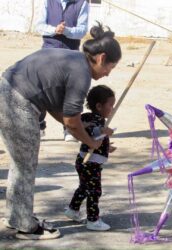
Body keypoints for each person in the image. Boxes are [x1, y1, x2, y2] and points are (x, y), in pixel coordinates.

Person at [0, 23, 121, 240]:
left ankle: (16, 216)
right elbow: (71, 121)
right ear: (101, 58)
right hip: (17, 100)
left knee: (21, 163)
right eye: (109, 68)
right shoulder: (81, 73)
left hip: (9, 90)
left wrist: (82, 130)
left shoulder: (73, 59)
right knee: (26, 164)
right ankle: (26, 226)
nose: (107, 74)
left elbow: (60, 110)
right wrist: (91, 142)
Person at [64, 85, 116, 231]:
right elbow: (91, 130)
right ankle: (93, 220)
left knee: (84, 188)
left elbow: (95, 139)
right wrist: (102, 130)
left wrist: (107, 146)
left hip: (85, 161)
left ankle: (72, 210)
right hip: (90, 163)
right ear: (99, 106)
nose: (112, 108)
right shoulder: (95, 120)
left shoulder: (92, 117)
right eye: (110, 105)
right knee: (94, 191)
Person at [36, 0, 89, 141]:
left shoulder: (81, 3)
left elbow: (82, 30)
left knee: (69, 92)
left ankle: (69, 129)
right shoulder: (49, 2)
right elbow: (39, 26)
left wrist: (67, 31)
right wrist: (54, 30)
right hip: (48, 52)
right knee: (43, 90)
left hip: (70, 54)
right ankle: (39, 127)